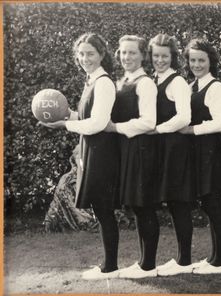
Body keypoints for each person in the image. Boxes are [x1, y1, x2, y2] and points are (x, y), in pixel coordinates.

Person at [40, 33, 120, 280]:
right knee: (101, 209)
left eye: (90, 54)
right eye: (81, 54)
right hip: (93, 150)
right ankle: (109, 265)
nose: (85, 58)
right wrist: (67, 116)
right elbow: (85, 118)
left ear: (102, 55)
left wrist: (64, 125)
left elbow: (97, 123)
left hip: (103, 152)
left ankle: (110, 267)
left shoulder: (104, 82)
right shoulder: (91, 81)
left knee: (104, 209)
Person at [106, 35, 159, 278]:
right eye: (123, 52)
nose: (127, 57)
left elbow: (148, 122)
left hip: (142, 150)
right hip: (126, 150)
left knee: (143, 206)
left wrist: (115, 128)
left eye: (132, 53)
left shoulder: (145, 83)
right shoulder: (121, 81)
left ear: (142, 56)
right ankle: (143, 263)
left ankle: (148, 265)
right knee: (137, 208)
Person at [180, 38, 221, 274]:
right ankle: (213, 259)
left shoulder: (216, 87)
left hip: (211, 150)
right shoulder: (191, 87)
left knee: (213, 204)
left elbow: (220, 123)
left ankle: (219, 261)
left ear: (211, 61)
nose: (197, 64)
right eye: (193, 60)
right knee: (207, 205)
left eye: (201, 60)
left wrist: (191, 130)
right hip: (195, 152)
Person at [147, 33, 194, 276]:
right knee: (170, 202)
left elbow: (184, 117)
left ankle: (184, 260)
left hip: (174, 148)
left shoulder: (177, 82)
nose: (160, 60)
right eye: (156, 56)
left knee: (178, 203)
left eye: (164, 56)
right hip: (160, 148)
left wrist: (158, 129)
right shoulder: (152, 80)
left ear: (172, 57)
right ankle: (180, 259)